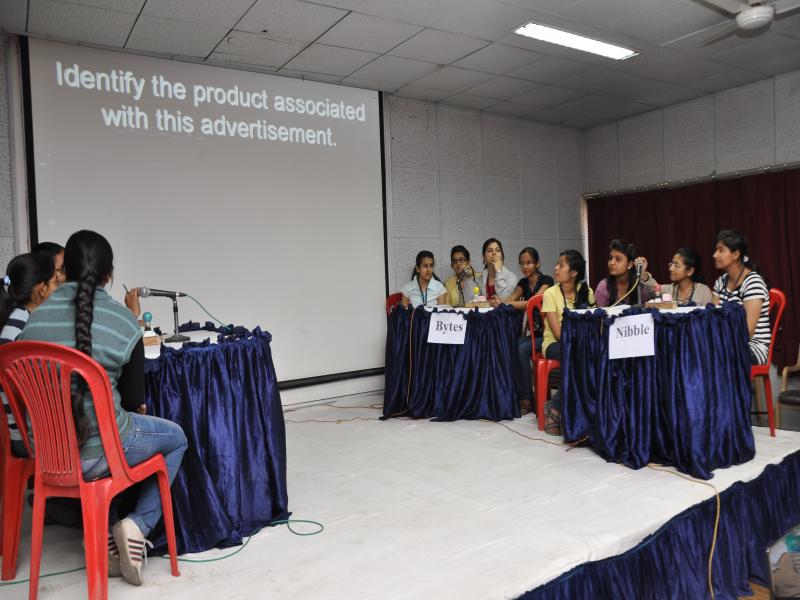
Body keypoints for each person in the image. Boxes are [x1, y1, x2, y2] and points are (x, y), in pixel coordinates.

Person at [20, 230, 187, 586]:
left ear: (64, 271)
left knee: (110, 433)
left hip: (48, 456)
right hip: (100, 456)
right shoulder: (124, 322)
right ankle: (137, 525)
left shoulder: (34, 321)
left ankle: (106, 537)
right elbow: (132, 400)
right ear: (108, 275)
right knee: (176, 438)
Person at [0, 252, 59, 457]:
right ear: (42, 289)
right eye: (55, 283)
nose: (59, 289)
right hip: (29, 438)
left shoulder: (13, 320)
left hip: (14, 434)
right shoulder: (29, 331)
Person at [492, 247, 553, 413]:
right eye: (522, 263)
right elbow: (511, 299)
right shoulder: (523, 283)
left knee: (522, 348)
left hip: (549, 334)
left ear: (537, 264)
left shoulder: (546, 280)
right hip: (534, 335)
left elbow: (531, 302)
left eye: (529, 263)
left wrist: (506, 303)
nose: (525, 267)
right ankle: (521, 393)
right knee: (514, 345)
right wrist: (500, 301)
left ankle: (527, 398)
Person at [541, 250, 595, 435]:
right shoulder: (550, 293)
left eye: (561, 265)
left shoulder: (587, 292)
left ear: (574, 273)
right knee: (577, 358)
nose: (556, 268)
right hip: (554, 344)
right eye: (557, 264)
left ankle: (562, 407)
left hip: (580, 345)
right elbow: (557, 334)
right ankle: (558, 408)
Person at [711, 229, 771, 365]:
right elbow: (712, 317)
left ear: (736, 254)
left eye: (721, 250)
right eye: (716, 250)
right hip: (725, 342)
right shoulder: (721, 282)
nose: (715, 255)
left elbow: (747, 331)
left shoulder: (753, 282)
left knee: (710, 358)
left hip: (752, 347)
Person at [594, 239, 657, 307]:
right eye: (610, 258)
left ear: (630, 264)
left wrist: (644, 275)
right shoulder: (603, 287)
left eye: (618, 259)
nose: (612, 263)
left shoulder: (640, 287)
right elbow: (600, 313)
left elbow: (656, 300)